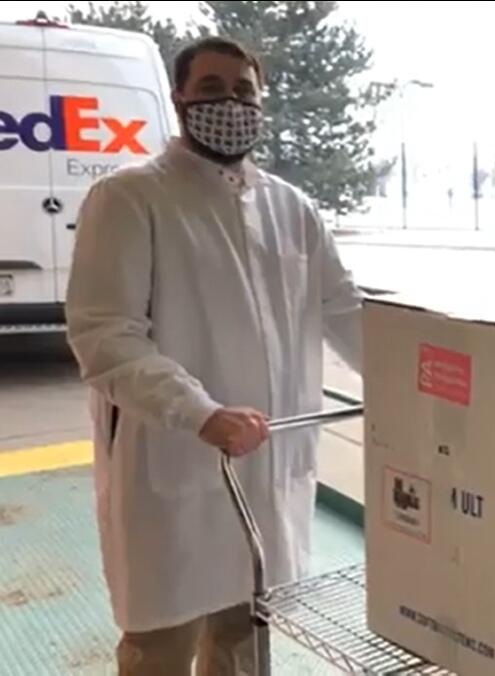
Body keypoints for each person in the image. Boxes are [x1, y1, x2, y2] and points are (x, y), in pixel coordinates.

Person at [64, 36, 364, 675]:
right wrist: (199, 412)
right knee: (160, 647)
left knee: (246, 640)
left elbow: (346, 311)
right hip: (175, 465)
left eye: (243, 90)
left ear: (261, 101)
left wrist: (424, 384)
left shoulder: (291, 208)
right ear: (179, 99)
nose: (230, 103)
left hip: (267, 471)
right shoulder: (130, 198)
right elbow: (105, 336)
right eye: (210, 89)